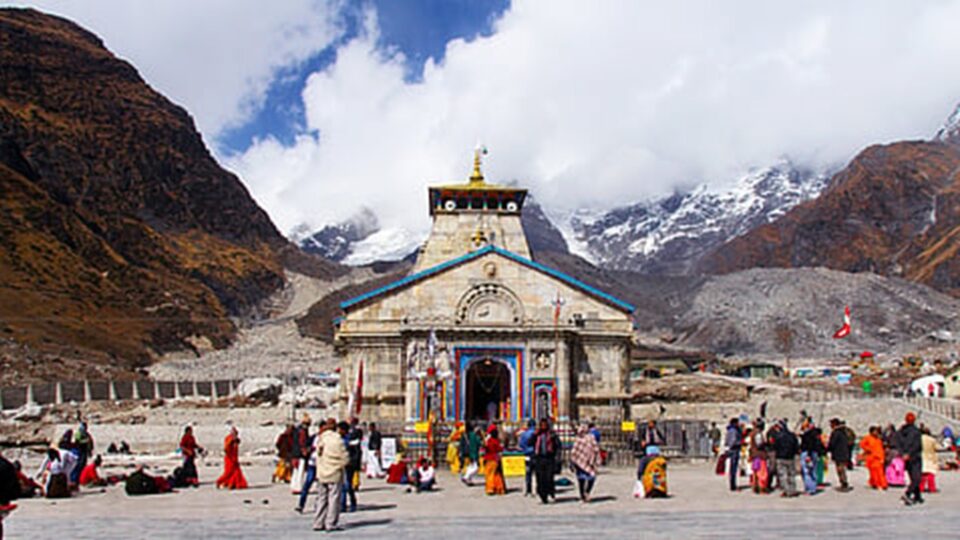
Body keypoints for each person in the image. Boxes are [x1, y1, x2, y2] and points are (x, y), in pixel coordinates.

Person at [313, 421, 349, 533]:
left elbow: (318, 454)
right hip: (334, 473)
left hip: (321, 472)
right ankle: (331, 523)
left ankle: (318, 522)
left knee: (321, 498)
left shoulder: (322, 438)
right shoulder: (338, 440)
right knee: (333, 499)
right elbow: (345, 458)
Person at [297, 419, 331, 513]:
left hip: (323, 465)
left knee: (322, 487)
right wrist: (307, 450)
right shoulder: (314, 437)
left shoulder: (328, 439)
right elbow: (305, 447)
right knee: (307, 484)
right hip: (312, 464)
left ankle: (319, 505)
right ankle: (301, 504)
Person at [570, 424, 601, 502]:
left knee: (592, 477)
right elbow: (574, 451)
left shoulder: (591, 438)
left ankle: (587, 492)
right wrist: (573, 461)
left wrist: (596, 459)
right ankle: (582, 495)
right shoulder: (578, 439)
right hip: (579, 462)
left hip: (590, 462)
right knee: (581, 479)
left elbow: (596, 449)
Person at [898, 412, 923, 505]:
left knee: (913, 477)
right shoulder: (916, 432)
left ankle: (917, 496)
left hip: (906, 458)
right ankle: (907, 494)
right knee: (917, 478)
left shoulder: (901, 431)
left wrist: (903, 454)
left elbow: (898, 444)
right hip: (914, 457)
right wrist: (909, 453)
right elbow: (917, 445)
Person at [769, 420, 799, 497]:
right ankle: (793, 490)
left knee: (783, 475)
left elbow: (775, 446)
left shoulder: (778, 436)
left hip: (781, 457)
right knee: (791, 474)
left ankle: (787, 490)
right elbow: (796, 446)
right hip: (790, 457)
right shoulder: (792, 435)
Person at [533, 419, 560, 504]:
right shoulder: (537, 435)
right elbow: (530, 443)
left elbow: (557, 446)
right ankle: (542, 496)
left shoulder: (552, 435)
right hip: (539, 458)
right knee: (540, 478)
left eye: (545, 425)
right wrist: (534, 435)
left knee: (549, 477)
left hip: (549, 458)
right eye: (542, 425)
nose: (543, 427)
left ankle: (550, 493)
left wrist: (556, 456)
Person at [340, 419, 362, 513]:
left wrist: (353, 462)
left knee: (347, 484)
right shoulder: (339, 438)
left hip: (350, 464)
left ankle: (352, 502)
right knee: (343, 485)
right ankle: (342, 504)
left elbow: (357, 452)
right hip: (341, 463)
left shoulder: (351, 438)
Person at [216, 426, 248, 490]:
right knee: (228, 472)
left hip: (234, 459)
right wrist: (231, 441)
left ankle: (234, 484)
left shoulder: (236, 440)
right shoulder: (228, 438)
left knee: (236, 473)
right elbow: (226, 448)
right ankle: (219, 482)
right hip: (229, 459)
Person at [799, 420, 824, 495]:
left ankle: (810, 489)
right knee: (813, 470)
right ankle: (813, 486)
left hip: (808, 453)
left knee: (807, 471)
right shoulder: (816, 434)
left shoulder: (809, 435)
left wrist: (808, 455)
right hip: (815, 453)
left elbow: (809, 445)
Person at [827, 418, 852, 492]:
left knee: (840, 469)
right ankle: (844, 483)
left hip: (839, 453)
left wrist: (827, 449)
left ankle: (844, 483)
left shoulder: (836, 432)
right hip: (844, 452)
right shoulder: (844, 431)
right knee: (842, 468)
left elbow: (832, 443)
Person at [482, 425, 506, 496]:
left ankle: (490, 489)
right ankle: (500, 489)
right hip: (496, 459)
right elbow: (500, 448)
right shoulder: (496, 441)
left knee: (489, 475)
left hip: (489, 459)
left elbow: (485, 448)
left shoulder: (489, 441)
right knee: (497, 474)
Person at [748, 420, 769, 494]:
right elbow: (759, 444)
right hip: (760, 455)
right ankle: (762, 487)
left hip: (754, 454)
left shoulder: (752, 433)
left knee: (756, 471)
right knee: (762, 472)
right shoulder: (758, 434)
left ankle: (755, 486)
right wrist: (766, 444)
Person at [518, 419, 537, 496]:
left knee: (528, 471)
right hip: (535, 454)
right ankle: (534, 489)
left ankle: (527, 488)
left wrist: (525, 449)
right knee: (535, 472)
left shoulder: (524, 434)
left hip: (526, 454)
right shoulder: (536, 433)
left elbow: (521, 444)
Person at [724, 418, 742, 491]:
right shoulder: (734, 431)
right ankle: (733, 485)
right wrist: (738, 443)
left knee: (732, 468)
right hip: (734, 450)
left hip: (731, 449)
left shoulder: (729, 430)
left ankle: (732, 484)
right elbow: (733, 440)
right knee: (733, 468)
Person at [920, 426, 938, 493]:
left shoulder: (919, 439)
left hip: (922, 456)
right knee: (931, 474)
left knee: (922, 474)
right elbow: (936, 448)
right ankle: (932, 488)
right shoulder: (932, 439)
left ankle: (921, 488)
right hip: (930, 457)